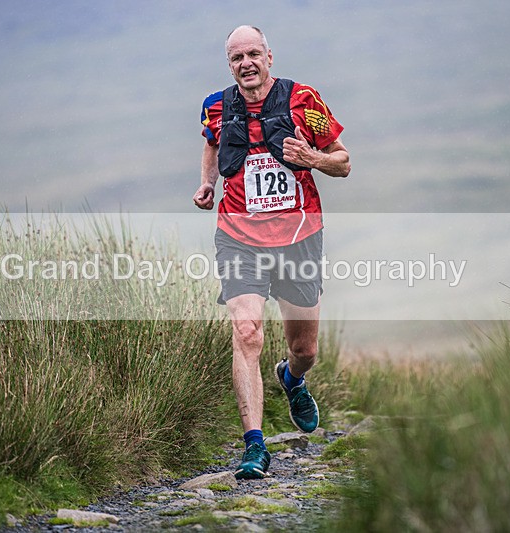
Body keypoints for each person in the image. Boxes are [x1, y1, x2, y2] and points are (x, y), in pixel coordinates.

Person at [193, 25, 350, 480]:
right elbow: (210, 140)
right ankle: (254, 447)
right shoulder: (216, 106)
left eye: (254, 54)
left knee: (306, 349)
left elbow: (343, 161)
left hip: (299, 235)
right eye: (236, 57)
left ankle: (292, 378)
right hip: (238, 235)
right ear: (229, 64)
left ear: (269, 57)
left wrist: (313, 159)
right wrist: (207, 183)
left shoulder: (305, 101)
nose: (246, 63)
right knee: (247, 332)